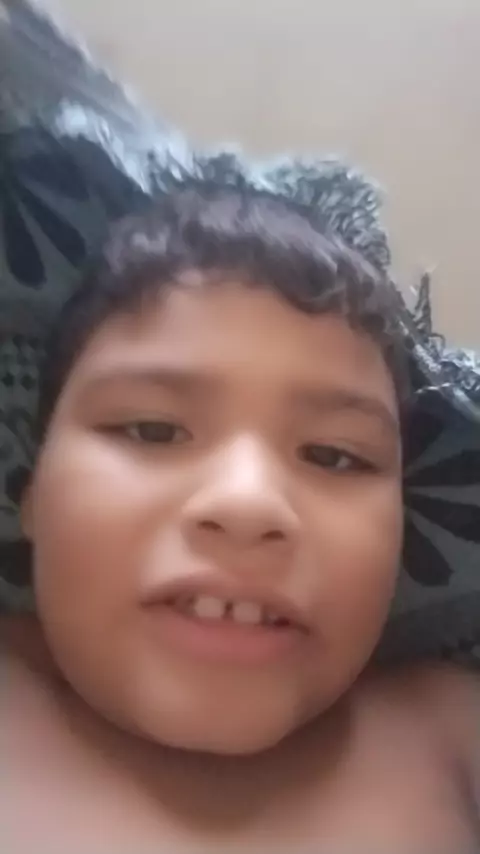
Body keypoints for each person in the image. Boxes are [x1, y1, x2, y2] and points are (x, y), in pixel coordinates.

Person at [2, 182, 479, 853]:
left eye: (334, 456)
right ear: (33, 493)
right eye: (153, 430)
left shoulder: (451, 735)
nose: (246, 503)